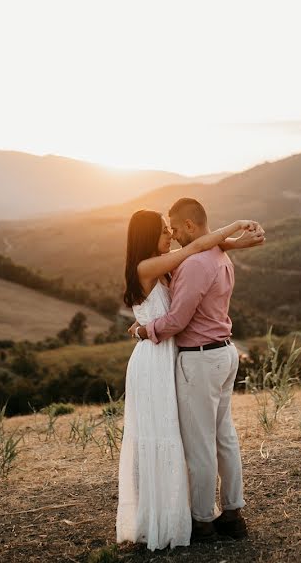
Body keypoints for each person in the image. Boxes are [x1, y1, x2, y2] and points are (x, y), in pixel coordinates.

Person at [116, 207, 264, 550]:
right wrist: (236, 226)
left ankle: (201, 517)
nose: (170, 236)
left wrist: (235, 242)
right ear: (148, 236)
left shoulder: (170, 261)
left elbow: (200, 246)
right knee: (171, 436)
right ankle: (189, 515)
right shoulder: (147, 267)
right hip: (155, 359)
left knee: (190, 439)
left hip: (179, 354)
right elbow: (196, 247)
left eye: (171, 229)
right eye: (164, 231)